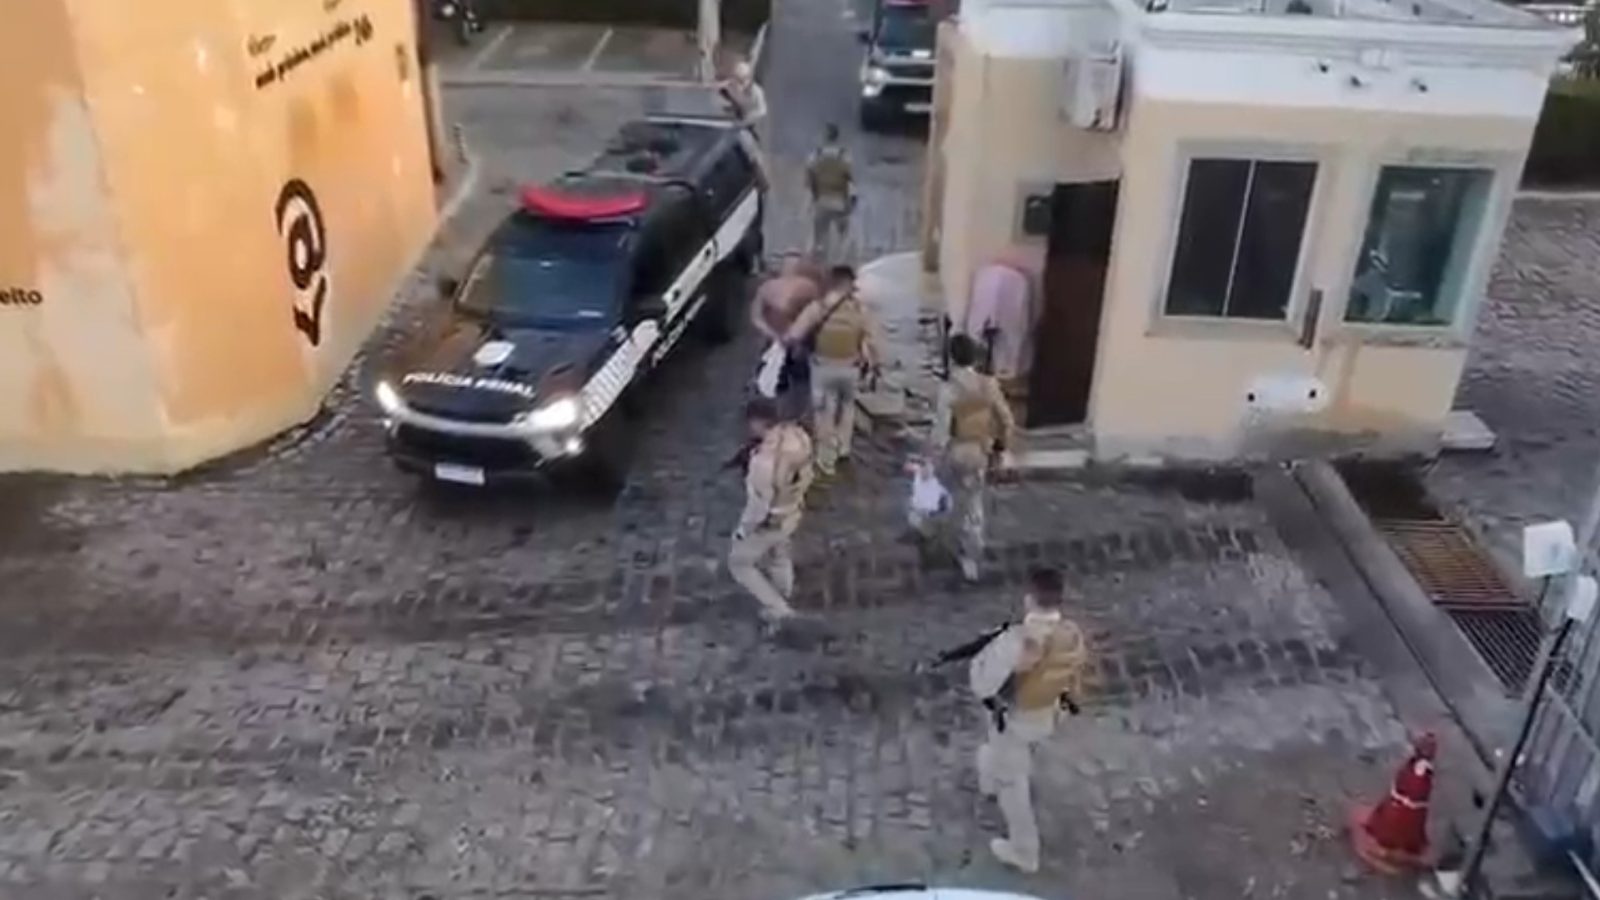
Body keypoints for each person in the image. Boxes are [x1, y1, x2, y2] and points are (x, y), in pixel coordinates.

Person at [968, 567, 1091, 873]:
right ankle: (991, 778)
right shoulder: (1071, 633)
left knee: (1013, 784)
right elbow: (1075, 680)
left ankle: (1024, 852)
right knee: (1001, 755)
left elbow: (984, 686)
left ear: (1029, 600)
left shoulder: (1017, 641)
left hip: (1015, 721)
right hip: (1048, 715)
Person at [915, 333, 1016, 582]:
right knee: (973, 505)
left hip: (955, 449)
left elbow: (941, 431)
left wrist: (929, 458)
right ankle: (970, 559)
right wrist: (1001, 447)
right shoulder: (988, 385)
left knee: (937, 491)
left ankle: (927, 529)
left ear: (951, 358)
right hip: (980, 450)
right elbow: (1007, 420)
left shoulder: (948, 389)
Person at [728, 397, 816, 626]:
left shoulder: (763, 462)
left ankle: (779, 609)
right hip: (793, 508)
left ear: (758, 422)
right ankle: (783, 592)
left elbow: (758, 508)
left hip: (772, 519)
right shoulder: (799, 437)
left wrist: (742, 531)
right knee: (779, 553)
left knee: (739, 563)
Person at [787, 265, 879, 477]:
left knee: (823, 412)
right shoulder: (860, 309)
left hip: (822, 367)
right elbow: (871, 341)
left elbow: (794, 335)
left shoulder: (817, 308)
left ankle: (826, 456)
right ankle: (843, 448)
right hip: (850, 368)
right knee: (847, 407)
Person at [805, 124, 855, 266]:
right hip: (839, 202)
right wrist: (850, 202)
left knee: (819, 237)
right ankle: (840, 263)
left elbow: (809, 177)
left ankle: (819, 262)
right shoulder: (844, 156)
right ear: (837, 137)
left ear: (825, 137)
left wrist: (813, 197)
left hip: (822, 201)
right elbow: (850, 180)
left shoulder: (816, 155)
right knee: (844, 235)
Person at [721, 60, 770, 187]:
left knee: (752, 152)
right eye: (737, 79)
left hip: (754, 126)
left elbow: (761, 112)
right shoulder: (733, 88)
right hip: (739, 125)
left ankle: (762, 181)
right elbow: (732, 103)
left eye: (743, 79)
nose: (740, 83)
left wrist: (744, 122)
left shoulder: (756, 92)